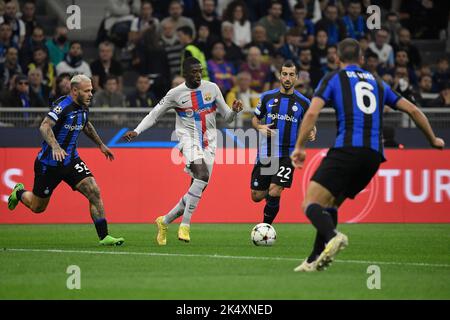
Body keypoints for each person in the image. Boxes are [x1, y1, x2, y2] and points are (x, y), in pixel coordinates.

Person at [290, 38, 445, 272]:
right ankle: (313, 259)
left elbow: (312, 113)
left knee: (310, 203)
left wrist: (300, 147)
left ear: (338, 59)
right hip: (373, 156)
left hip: (347, 149)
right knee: (331, 203)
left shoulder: (334, 78)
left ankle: (333, 236)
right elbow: (412, 109)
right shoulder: (377, 81)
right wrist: (433, 139)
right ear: (361, 60)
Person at [123, 57, 243, 244]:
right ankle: (185, 225)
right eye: (194, 72)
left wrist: (234, 111)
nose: (197, 75)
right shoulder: (175, 94)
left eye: (200, 71)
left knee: (195, 191)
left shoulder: (212, 88)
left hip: (210, 143)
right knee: (202, 175)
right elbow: (154, 115)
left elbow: (227, 117)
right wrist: (137, 131)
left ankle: (164, 220)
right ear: (184, 73)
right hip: (187, 139)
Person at [7, 74, 125, 246]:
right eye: (87, 91)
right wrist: (55, 146)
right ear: (75, 90)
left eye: (91, 90)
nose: (91, 94)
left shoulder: (84, 106)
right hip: (49, 164)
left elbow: (85, 124)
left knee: (94, 191)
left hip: (70, 161)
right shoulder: (63, 107)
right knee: (37, 207)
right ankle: (19, 192)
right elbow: (45, 125)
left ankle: (104, 236)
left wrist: (101, 145)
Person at [250, 61, 316, 225]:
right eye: (285, 74)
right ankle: (271, 200)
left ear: (296, 77)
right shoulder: (267, 97)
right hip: (267, 153)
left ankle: (266, 227)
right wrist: (260, 127)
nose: (287, 78)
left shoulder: (304, 102)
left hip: (288, 154)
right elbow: (255, 119)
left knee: (276, 189)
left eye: (291, 74)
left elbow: (310, 123)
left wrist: (313, 131)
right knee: (257, 196)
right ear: (279, 76)